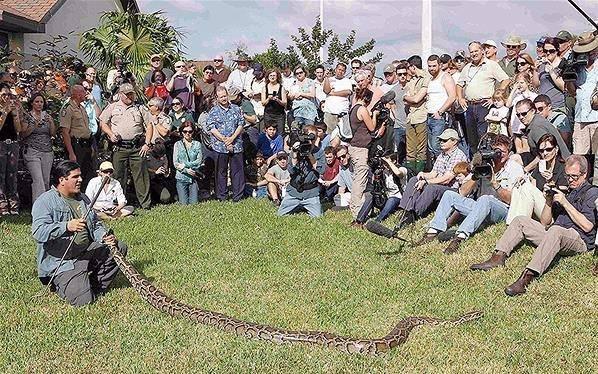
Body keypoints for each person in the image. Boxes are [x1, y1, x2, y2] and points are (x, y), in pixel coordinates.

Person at [471, 155, 598, 296]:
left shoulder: (591, 192)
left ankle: (527, 276)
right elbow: (545, 222)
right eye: (568, 176)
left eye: (574, 176)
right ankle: (497, 257)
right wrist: (549, 201)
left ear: (585, 174)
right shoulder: (568, 192)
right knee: (520, 220)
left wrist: (565, 203)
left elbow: (588, 226)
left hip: (578, 239)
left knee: (556, 231)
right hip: (555, 234)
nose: (570, 180)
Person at [31, 160, 128, 307]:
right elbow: (38, 232)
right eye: (76, 177)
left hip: (85, 251)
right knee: (83, 302)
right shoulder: (45, 202)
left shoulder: (83, 198)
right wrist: (66, 226)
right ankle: (62, 285)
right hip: (63, 263)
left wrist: (103, 236)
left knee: (119, 247)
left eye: (80, 176)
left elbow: (95, 224)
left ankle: (94, 285)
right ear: (62, 180)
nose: (81, 180)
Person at [418, 134, 525, 253]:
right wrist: (475, 176)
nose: (498, 155)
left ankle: (460, 237)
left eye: (502, 152)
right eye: (495, 151)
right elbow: (462, 192)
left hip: (502, 210)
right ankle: (432, 232)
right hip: (480, 207)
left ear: (509, 152)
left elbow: (512, 200)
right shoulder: (486, 164)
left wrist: (495, 183)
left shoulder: (514, 168)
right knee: (449, 195)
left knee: (486, 199)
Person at [396, 128, 468, 228]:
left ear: (454, 141)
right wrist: (423, 175)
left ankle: (415, 213)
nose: (441, 142)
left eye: (445, 140)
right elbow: (434, 173)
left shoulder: (458, 156)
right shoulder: (442, 155)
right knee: (414, 180)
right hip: (440, 185)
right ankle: (405, 210)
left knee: (432, 187)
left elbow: (447, 179)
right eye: (441, 140)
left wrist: (426, 182)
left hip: (452, 190)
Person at [99, 83, 153, 209]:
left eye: (131, 94)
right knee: (118, 176)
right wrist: (110, 134)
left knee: (141, 176)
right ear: (120, 94)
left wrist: (147, 143)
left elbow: (149, 125)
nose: (130, 96)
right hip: (119, 147)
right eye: (127, 94)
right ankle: (119, 203)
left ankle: (145, 205)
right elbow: (103, 123)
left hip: (137, 147)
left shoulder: (140, 108)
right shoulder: (112, 107)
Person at [456, 41, 510, 154]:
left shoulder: (491, 65)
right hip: (470, 106)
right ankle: (475, 164)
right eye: (471, 52)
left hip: (484, 105)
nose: (474, 54)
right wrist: (460, 98)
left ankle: (486, 165)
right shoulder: (467, 67)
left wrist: (495, 96)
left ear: (482, 51)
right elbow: (459, 84)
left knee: (484, 137)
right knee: (471, 139)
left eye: (476, 51)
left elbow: (505, 80)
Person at [506, 133, 567, 224]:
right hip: (539, 207)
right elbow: (533, 186)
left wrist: (551, 183)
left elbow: (563, 197)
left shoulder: (563, 168)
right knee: (519, 186)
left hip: (552, 211)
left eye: (548, 149)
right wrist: (523, 179)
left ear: (556, 149)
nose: (545, 153)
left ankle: (518, 225)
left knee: (526, 187)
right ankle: (513, 224)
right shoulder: (541, 166)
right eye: (541, 151)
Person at [566, 31, 598, 185]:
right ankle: (580, 187)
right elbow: (572, 92)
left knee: (597, 157)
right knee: (579, 157)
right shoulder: (577, 66)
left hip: (597, 117)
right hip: (581, 117)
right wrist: (569, 76)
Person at [207, 86, 245, 202]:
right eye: (221, 97)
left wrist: (232, 138)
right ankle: (221, 196)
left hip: (236, 144)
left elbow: (241, 124)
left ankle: (237, 196)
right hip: (220, 146)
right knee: (220, 172)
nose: (223, 98)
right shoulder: (213, 111)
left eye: (224, 96)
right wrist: (224, 139)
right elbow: (212, 128)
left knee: (237, 171)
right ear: (217, 98)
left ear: (227, 95)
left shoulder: (236, 109)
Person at [348, 87, 378, 221]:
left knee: (358, 179)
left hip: (355, 147)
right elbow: (371, 127)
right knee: (360, 181)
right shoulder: (362, 109)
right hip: (360, 149)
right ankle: (357, 211)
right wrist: (375, 115)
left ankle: (358, 208)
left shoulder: (353, 109)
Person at [277, 128, 322, 218]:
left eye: (313, 138)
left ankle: (303, 206)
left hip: (311, 193)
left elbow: (321, 170)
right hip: (294, 192)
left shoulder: (319, 152)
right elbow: (291, 170)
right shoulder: (295, 150)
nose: (310, 141)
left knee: (318, 217)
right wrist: (294, 154)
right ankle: (298, 206)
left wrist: (310, 155)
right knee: (280, 215)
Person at [21, 93, 55, 203]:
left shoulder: (46, 115)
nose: (39, 104)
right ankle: (38, 207)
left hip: (47, 151)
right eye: (37, 101)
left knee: (45, 180)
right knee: (38, 180)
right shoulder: (27, 116)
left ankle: (46, 206)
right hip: (32, 151)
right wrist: (34, 126)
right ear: (32, 103)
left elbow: (52, 133)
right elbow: (23, 135)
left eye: (41, 102)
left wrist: (51, 123)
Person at [60, 84, 93, 189]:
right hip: (76, 146)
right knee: (75, 173)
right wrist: (71, 153)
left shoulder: (82, 108)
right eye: (83, 91)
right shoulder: (68, 109)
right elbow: (65, 132)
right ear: (78, 94)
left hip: (86, 145)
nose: (85, 94)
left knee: (87, 173)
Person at [426, 55, 456, 160]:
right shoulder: (430, 79)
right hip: (429, 117)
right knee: (431, 147)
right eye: (429, 66)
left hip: (440, 117)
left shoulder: (446, 77)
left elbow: (452, 96)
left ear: (440, 65)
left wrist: (440, 111)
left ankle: (445, 170)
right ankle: (436, 171)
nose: (431, 68)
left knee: (438, 146)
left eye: (434, 66)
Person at [404, 55, 429, 172]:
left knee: (421, 150)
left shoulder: (426, 77)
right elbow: (407, 99)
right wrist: (409, 98)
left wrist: (409, 98)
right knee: (410, 150)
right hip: (410, 117)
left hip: (421, 116)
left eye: (408, 67)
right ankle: (411, 177)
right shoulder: (412, 80)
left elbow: (416, 99)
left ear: (413, 67)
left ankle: (419, 175)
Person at [173, 122, 203, 205]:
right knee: (184, 204)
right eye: (185, 131)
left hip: (193, 178)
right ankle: (179, 196)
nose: (187, 133)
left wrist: (184, 165)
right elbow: (175, 163)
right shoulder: (177, 144)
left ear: (193, 132)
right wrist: (186, 170)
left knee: (194, 203)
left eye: (190, 131)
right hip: (181, 178)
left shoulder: (197, 144)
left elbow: (198, 162)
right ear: (182, 132)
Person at [506, 72, 538, 152]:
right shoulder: (516, 96)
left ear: (527, 83)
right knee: (519, 150)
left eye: (522, 82)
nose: (519, 85)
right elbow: (508, 104)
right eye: (517, 82)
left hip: (526, 127)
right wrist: (513, 90)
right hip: (516, 127)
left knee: (526, 149)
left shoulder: (533, 96)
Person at [537, 37, 566, 113]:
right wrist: (534, 70)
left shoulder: (563, 64)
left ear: (557, 50)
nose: (548, 53)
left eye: (551, 51)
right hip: (542, 108)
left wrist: (551, 71)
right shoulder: (542, 65)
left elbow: (564, 87)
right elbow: (536, 85)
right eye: (546, 51)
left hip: (558, 106)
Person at [323, 63, 353, 134]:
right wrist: (326, 77)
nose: (340, 72)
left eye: (343, 70)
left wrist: (334, 93)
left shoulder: (347, 81)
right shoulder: (330, 79)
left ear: (345, 72)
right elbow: (326, 91)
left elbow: (348, 92)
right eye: (339, 69)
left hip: (342, 113)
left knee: (343, 135)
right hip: (330, 112)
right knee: (328, 135)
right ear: (335, 70)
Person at [261, 69, 287, 136]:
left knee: (280, 134)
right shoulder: (265, 88)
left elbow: (285, 102)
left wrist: (278, 100)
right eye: (271, 75)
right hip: (268, 114)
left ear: (277, 77)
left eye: (274, 75)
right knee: (268, 134)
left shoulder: (281, 88)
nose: (272, 77)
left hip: (279, 115)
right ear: (268, 77)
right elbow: (263, 103)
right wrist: (268, 99)